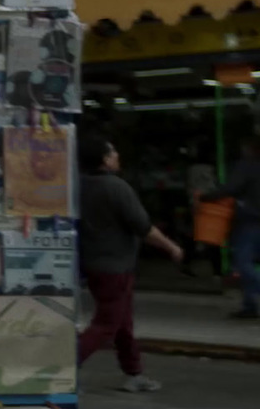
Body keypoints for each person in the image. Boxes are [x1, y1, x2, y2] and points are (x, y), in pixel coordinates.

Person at [76, 134, 184, 393]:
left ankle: (134, 374)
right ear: (103, 159)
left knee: (123, 324)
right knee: (106, 325)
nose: (117, 156)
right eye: (113, 153)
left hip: (95, 264)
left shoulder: (78, 185)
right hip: (115, 268)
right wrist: (171, 246)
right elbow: (143, 227)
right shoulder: (116, 187)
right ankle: (62, 367)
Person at [201, 137, 260, 319]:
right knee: (248, 263)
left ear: (249, 148)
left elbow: (231, 188)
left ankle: (251, 302)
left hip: (250, 220)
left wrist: (207, 197)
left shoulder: (246, 166)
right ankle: (249, 304)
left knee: (243, 263)